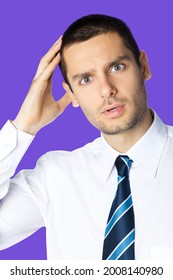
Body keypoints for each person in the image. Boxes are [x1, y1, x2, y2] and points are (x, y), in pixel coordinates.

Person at [0, 14, 173, 260]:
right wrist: (23, 127)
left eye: (117, 67)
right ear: (71, 94)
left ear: (143, 66)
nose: (106, 90)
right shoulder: (54, 176)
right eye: (86, 79)